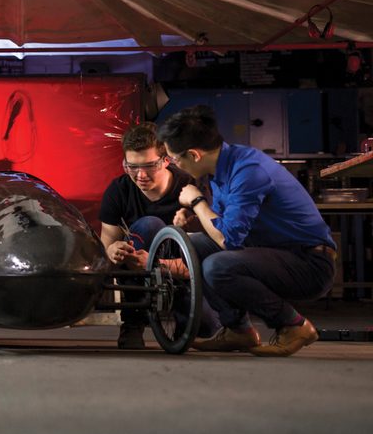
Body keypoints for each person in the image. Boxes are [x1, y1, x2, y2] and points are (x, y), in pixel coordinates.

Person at [157, 105, 336, 357]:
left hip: (309, 264)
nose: (175, 166)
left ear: (194, 155)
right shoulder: (220, 169)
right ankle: (238, 330)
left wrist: (197, 202)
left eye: (175, 160)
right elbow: (223, 225)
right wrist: (196, 217)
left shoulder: (247, 170)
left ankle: (294, 326)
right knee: (192, 246)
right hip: (272, 253)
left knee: (217, 266)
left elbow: (228, 240)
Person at [99, 122, 204, 349]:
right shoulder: (119, 190)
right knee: (148, 226)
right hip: (137, 266)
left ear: (166, 160)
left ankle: (181, 315)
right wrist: (112, 250)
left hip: (184, 271)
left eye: (149, 166)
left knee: (206, 329)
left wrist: (156, 264)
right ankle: (133, 320)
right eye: (132, 167)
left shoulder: (189, 187)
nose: (140, 175)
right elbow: (105, 245)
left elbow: (204, 260)